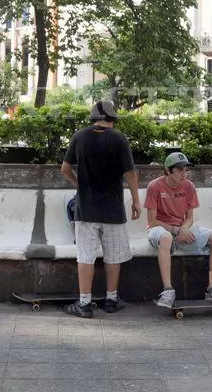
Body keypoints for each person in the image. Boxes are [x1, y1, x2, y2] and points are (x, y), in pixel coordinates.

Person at [60, 100, 141, 318]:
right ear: (112, 119)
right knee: (113, 256)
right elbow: (131, 174)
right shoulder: (119, 138)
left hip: (86, 209)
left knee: (85, 256)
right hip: (113, 210)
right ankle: (112, 299)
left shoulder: (79, 137)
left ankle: (84, 303)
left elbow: (65, 169)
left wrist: (78, 183)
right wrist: (135, 200)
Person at [146, 152, 212, 308]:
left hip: (182, 229)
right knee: (166, 238)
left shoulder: (189, 186)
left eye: (186, 169)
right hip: (159, 229)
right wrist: (176, 230)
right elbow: (152, 221)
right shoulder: (155, 186)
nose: (184, 173)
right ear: (168, 170)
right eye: (179, 170)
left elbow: (189, 218)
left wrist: (183, 229)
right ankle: (168, 290)